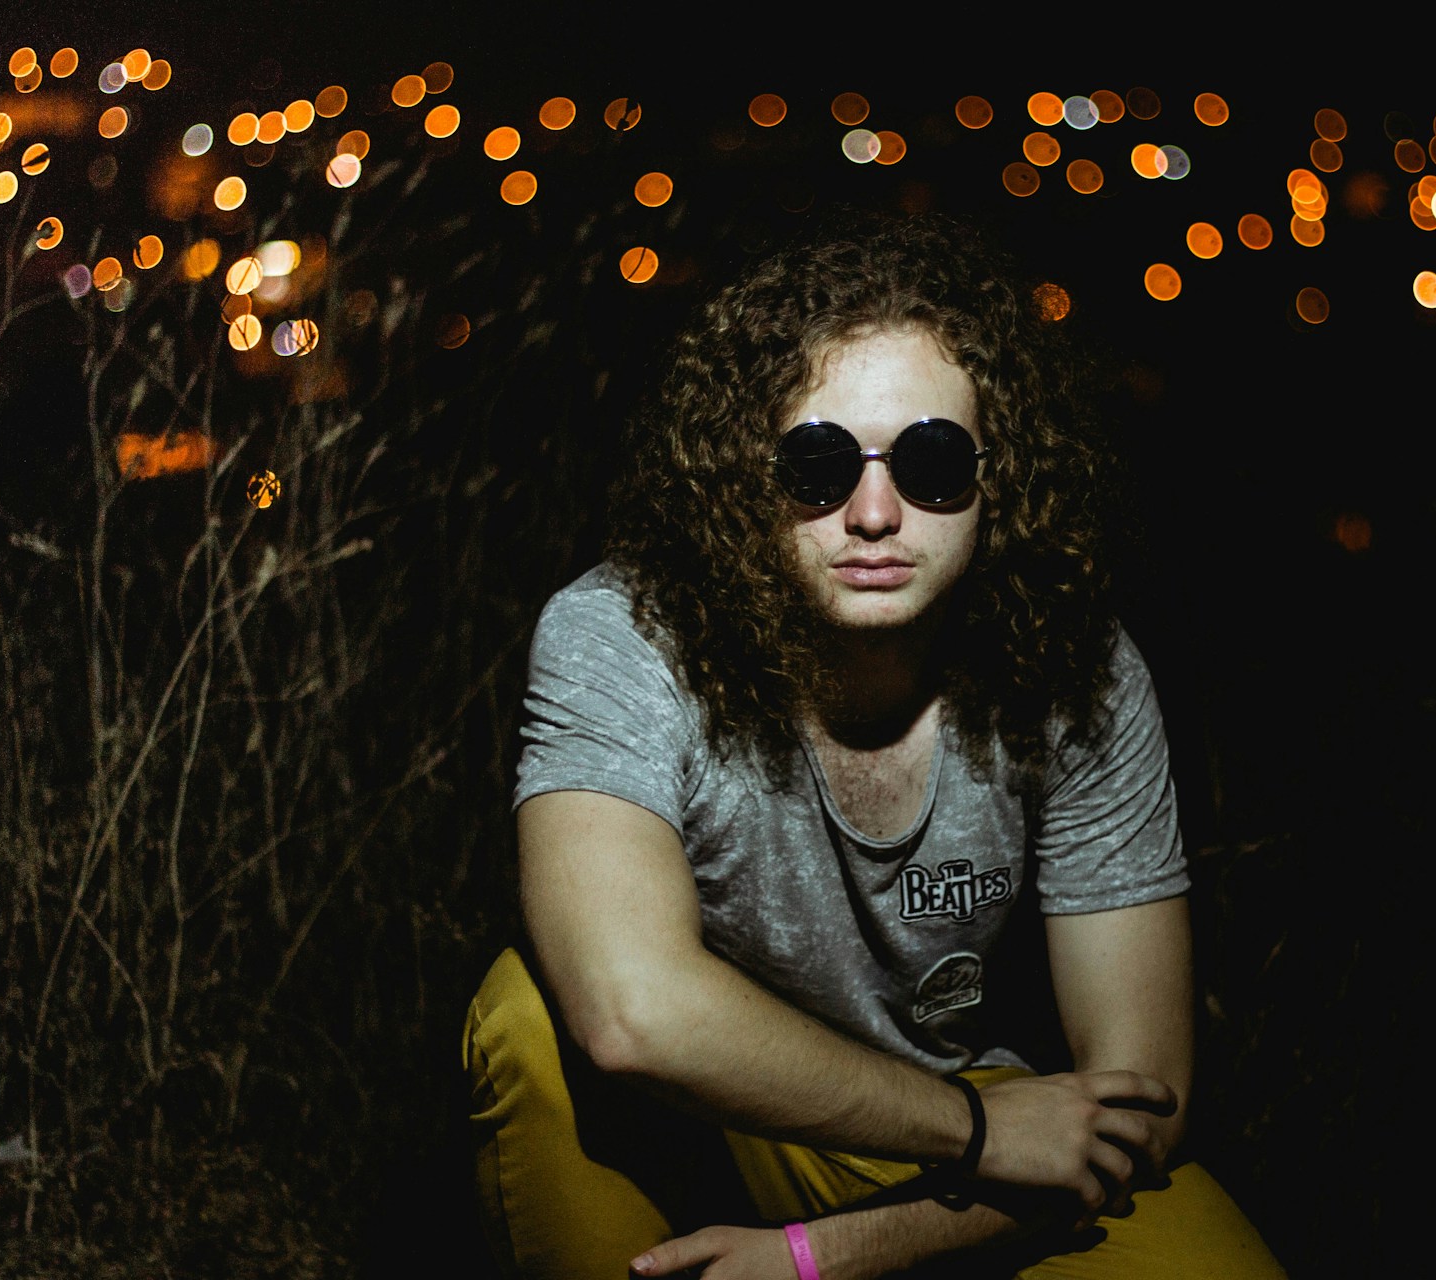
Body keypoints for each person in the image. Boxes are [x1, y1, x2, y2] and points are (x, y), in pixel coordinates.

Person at [463, 212, 1284, 1278]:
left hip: (943, 1106)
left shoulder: (1077, 665)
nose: (875, 510)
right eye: (817, 464)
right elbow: (631, 1010)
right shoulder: (623, 633)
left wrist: (823, 1256)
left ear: (1003, 477)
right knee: (528, 1015)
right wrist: (978, 1135)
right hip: (714, 1103)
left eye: (934, 460)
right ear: (739, 476)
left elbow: (1140, 1097)